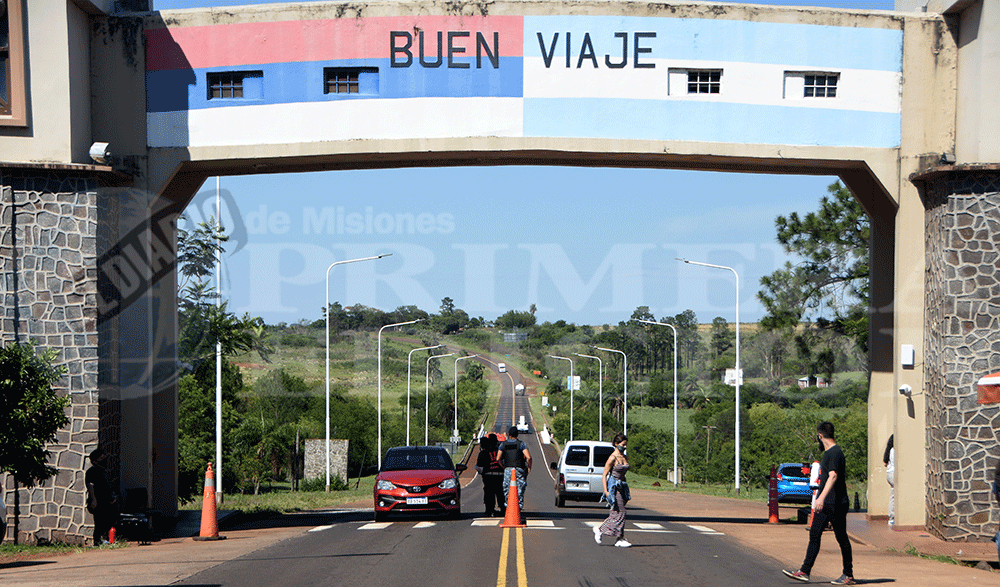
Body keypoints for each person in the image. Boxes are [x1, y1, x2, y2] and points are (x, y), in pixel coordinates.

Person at [782, 422, 854, 585]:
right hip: (827, 503)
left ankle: (848, 574)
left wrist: (821, 498)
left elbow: (833, 476)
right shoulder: (830, 453)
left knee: (841, 537)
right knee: (814, 533)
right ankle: (805, 571)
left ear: (820, 436)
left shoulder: (834, 453)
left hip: (835, 503)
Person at [594, 432, 631, 548]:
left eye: (626, 445)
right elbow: (604, 474)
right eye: (623, 444)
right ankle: (602, 531)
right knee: (622, 512)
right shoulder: (612, 458)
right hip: (615, 487)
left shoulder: (624, 457)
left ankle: (619, 537)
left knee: (617, 513)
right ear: (616, 444)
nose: (624, 447)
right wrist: (606, 491)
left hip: (623, 487)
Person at [86, 448, 119, 545]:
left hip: (107, 502)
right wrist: (93, 500)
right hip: (98, 502)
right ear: (95, 461)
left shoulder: (104, 471)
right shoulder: (92, 471)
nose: (104, 459)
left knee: (109, 522)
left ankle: (110, 540)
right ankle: (98, 541)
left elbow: (108, 486)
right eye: (101, 458)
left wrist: (112, 497)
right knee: (99, 523)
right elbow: (90, 485)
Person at [500, 426, 531, 514]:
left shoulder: (503, 444)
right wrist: (529, 468)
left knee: (507, 488)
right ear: (517, 435)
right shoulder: (521, 444)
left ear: (509, 435)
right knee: (520, 489)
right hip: (519, 469)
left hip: (508, 469)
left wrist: (503, 466)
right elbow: (528, 457)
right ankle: (519, 507)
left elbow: (498, 458)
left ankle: (508, 506)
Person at [475, 433, 504, 517]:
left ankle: (489, 510)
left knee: (489, 493)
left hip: (488, 476)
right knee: (500, 492)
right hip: (500, 475)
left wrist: (481, 470)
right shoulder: (500, 451)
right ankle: (502, 509)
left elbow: (479, 465)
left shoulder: (483, 452)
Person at [883, 434, 895, 527]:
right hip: (894, 474)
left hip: (889, 473)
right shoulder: (895, 451)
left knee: (893, 495)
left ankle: (892, 517)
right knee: (894, 495)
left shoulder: (889, 450)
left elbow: (885, 463)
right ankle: (892, 517)